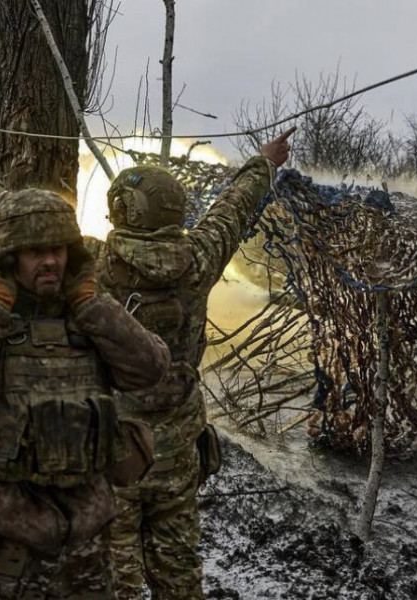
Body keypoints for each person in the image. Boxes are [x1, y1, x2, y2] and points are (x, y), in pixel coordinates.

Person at [0, 185, 169, 600]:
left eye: (58, 249)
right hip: (1, 549)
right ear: (8, 258)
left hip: (86, 548)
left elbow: (149, 369)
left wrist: (91, 305)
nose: (50, 260)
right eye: (35, 251)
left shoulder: (93, 324)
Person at [99, 127, 294, 600]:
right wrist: (266, 162)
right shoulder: (200, 259)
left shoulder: (91, 264)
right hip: (178, 457)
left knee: (111, 583)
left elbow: (21, 221)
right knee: (180, 578)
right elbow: (234, 207)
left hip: (112, 459)